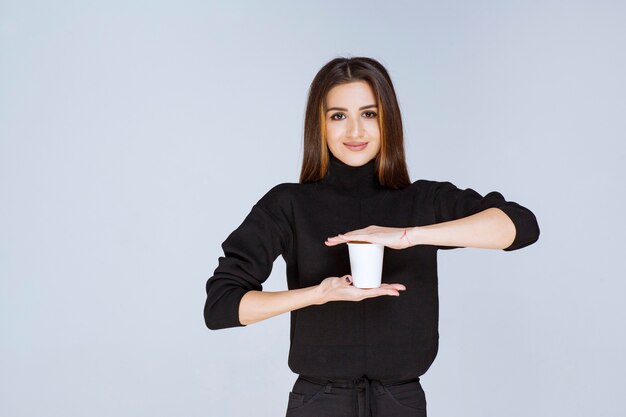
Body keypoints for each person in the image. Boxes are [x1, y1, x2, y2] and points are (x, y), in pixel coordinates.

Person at [203, 56, 540, 417]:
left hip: (402, 402)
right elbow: (221, 307)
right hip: (318, 402)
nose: (354, 132)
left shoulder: (423, 200)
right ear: (319, 125)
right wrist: (318, 294)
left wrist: (408, 235)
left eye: (369, 114)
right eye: (338, 116)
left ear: (387, 121)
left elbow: (520, 226)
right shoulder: (289, 203)